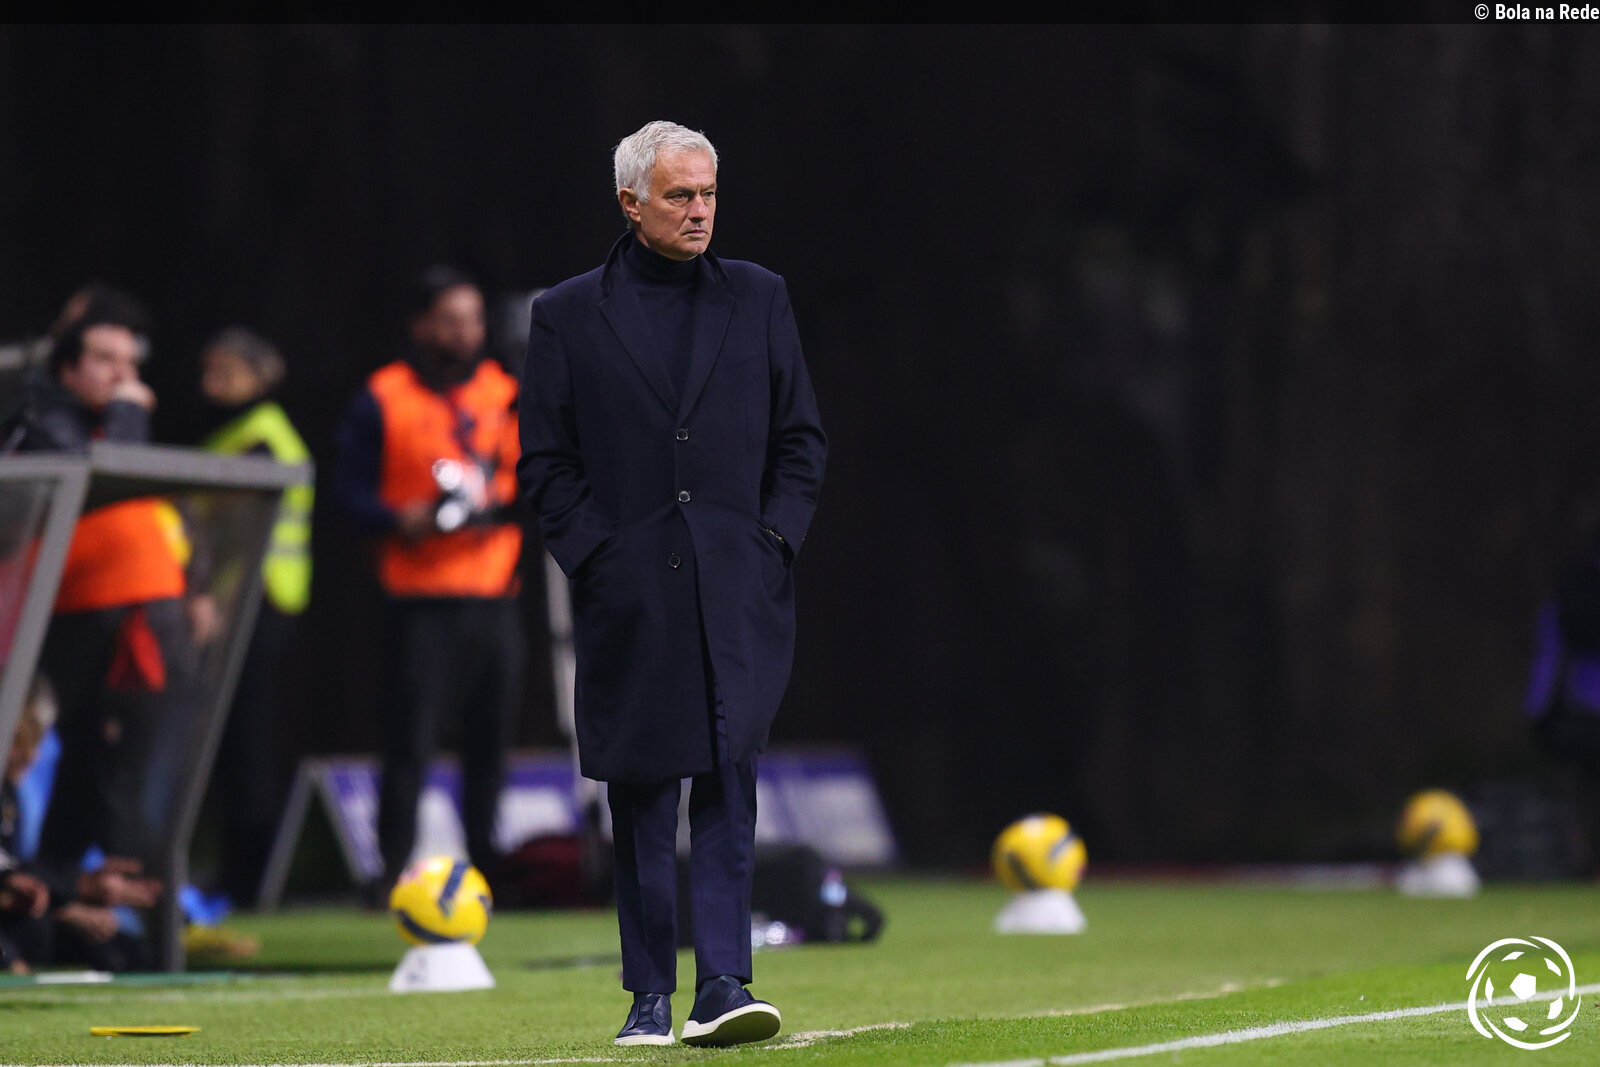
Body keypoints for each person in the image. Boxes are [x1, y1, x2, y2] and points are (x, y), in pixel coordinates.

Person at [519, 121, 826, 1047]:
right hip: (630, 588)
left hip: (738, 583)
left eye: (708, 194)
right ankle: (649, 995)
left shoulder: (760, 295)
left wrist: (773, 541)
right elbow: (546, 462)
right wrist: (597, 559)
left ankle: (724, 983)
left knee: (731, 779)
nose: (699, 211)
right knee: (643, 788)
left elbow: (801, 439)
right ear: (630, 203)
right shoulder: (567, 312)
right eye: (679, 195)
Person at [333, 267, 525, 898]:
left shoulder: (507, 392)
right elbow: (345, 493)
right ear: (420, 325)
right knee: (409, 742)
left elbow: (543, 480)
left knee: (490, 743)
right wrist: (397, 519)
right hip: (418, 600)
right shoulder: (383, 396)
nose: (464, 333)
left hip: (493, 594)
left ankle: (487, 871)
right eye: (449, 320)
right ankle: (390, 872)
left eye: (472, 319)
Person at [17, 289, 196, 873]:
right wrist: (127, 412)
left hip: (142, 607)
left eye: (130, 363)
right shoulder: (39, 417)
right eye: (104, 359)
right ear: (66, 368)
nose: (122, 375)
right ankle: (81, 894)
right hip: (78, 614)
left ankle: (101, 898)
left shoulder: (104, 419)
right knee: (102, 763)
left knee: (127, 763)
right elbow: (106, 473)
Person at [192, 327, 312, 907]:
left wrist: (214, 601)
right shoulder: (236, 433)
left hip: (252, 606)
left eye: (224, 370)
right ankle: (240, 875)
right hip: (246, 604)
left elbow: (235, 535)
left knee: (247, 745)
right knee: (236, 743)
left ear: (257, 376)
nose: (210, 381)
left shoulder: (258, 437)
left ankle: (249, 880)